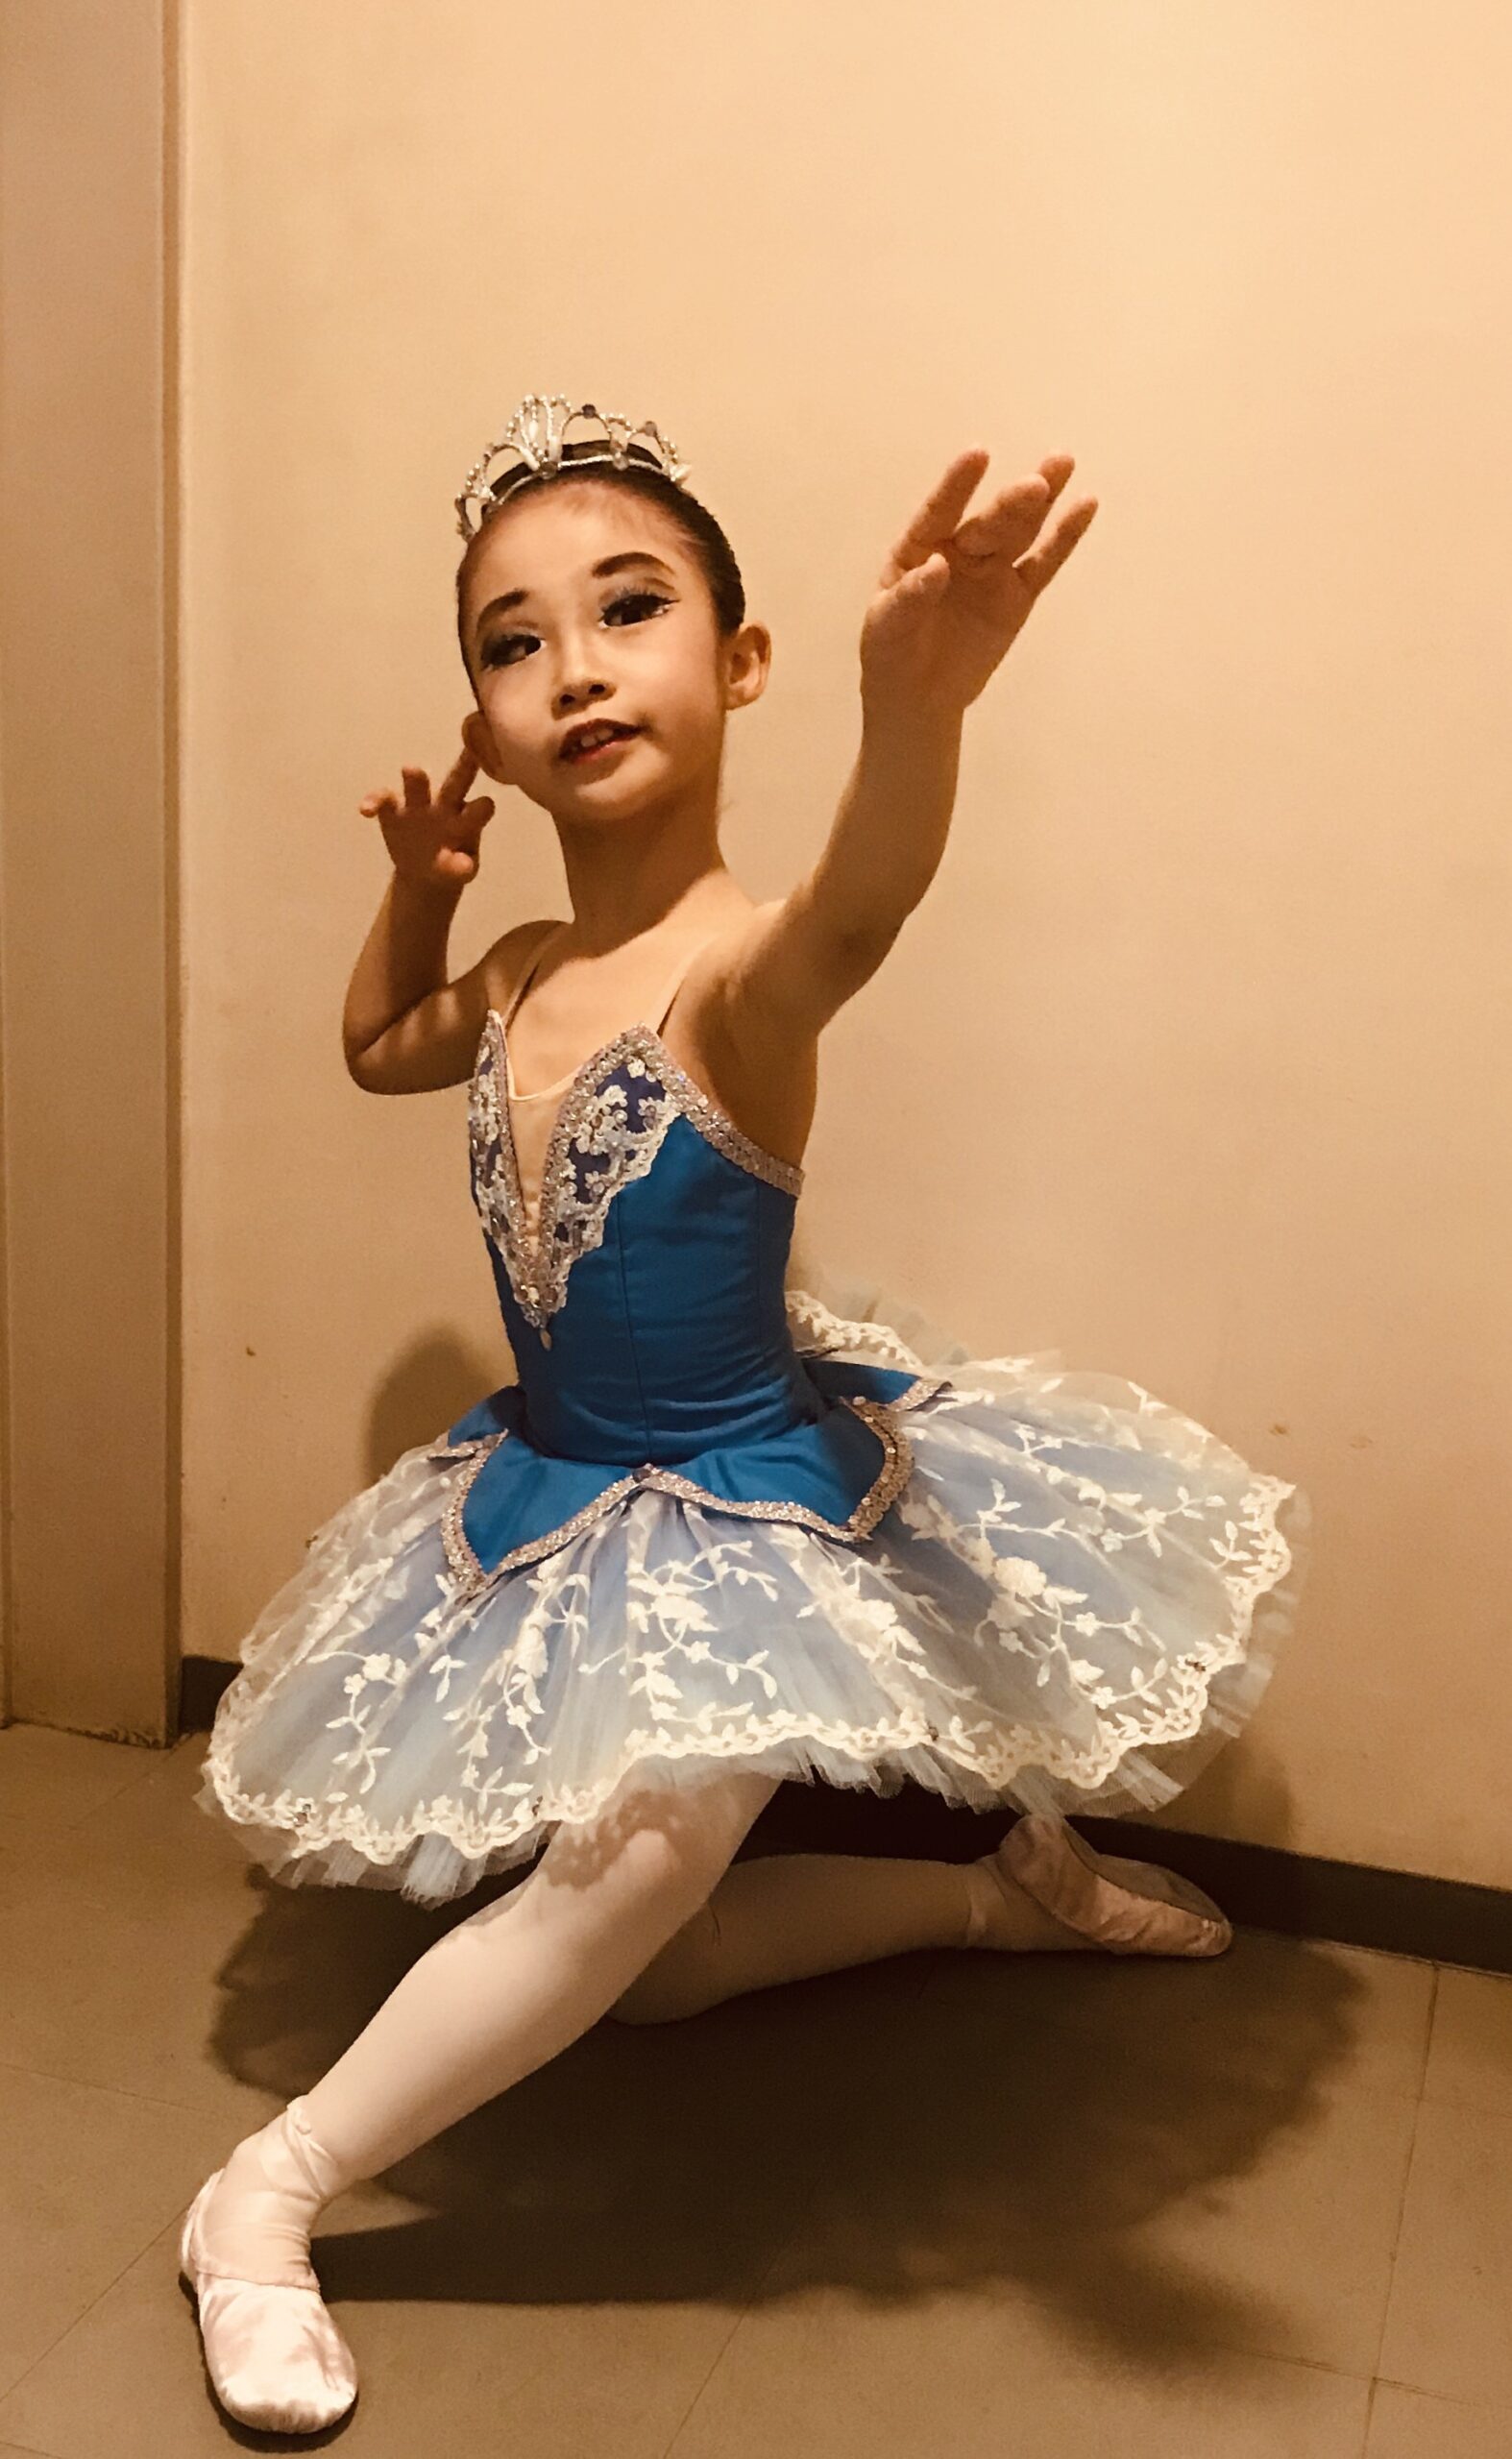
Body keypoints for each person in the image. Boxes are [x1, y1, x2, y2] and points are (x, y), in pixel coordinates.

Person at [181, 394, 1309, 2431]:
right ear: (484, 713)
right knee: (661, 1962)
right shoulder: (521, 967)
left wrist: (916, 710)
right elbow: (373, 1042)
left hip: (731, 1494)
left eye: (629, 607)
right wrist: (423, 890)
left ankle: (265, 2193)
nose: (573, 665)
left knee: (627, 1875)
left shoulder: (743, 973)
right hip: (554, 1486)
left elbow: (860, 906)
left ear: (743, 658)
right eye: (513, 640)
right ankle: (995, 1891)